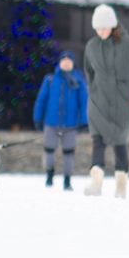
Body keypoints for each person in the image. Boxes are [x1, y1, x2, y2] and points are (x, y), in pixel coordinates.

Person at [82, 3, 129, 200]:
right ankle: (96, 182)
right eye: (98, 28)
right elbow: (89, 72)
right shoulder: (91, 46)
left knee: (120, 141)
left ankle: (121, 185)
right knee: (97, 140)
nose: (101, 31)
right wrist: (94, 90)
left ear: (113, 25)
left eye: (104, 27)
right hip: (98, 101)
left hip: (123, 102)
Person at [32, 51, 90, 190]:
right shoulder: (50, 80)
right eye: (64, 61)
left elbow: (84, 103)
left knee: (69, 153)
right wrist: (38, 118)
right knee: (49, 151)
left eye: (69, 61)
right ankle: (49, 174)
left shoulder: (79, 81)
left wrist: (84, 121)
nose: (66, 63)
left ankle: (67, 180)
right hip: (51, 123)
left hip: (70, 125)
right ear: (59, 63)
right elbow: (41, 100)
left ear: (73, 64)